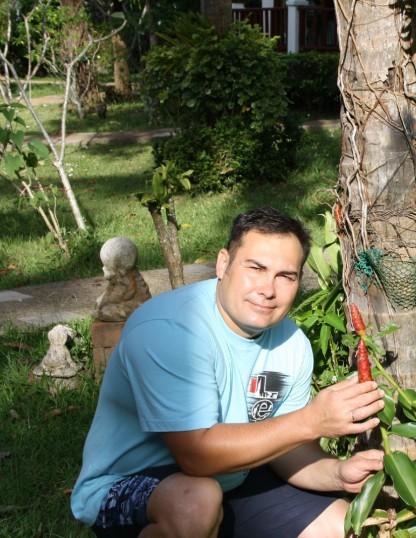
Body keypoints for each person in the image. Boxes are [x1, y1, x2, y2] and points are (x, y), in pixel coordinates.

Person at [72, 206, 386, 537]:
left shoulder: (292, 343)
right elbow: (197, 457)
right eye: (256, 268)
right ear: (224, 264)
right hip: (132, 483)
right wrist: (311, 421)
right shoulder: (170, 330)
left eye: (285, 276)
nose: (268, 289)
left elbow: (284, 446)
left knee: (343, 527)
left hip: (235, 476)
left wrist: (337, 472)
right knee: (197, 503)